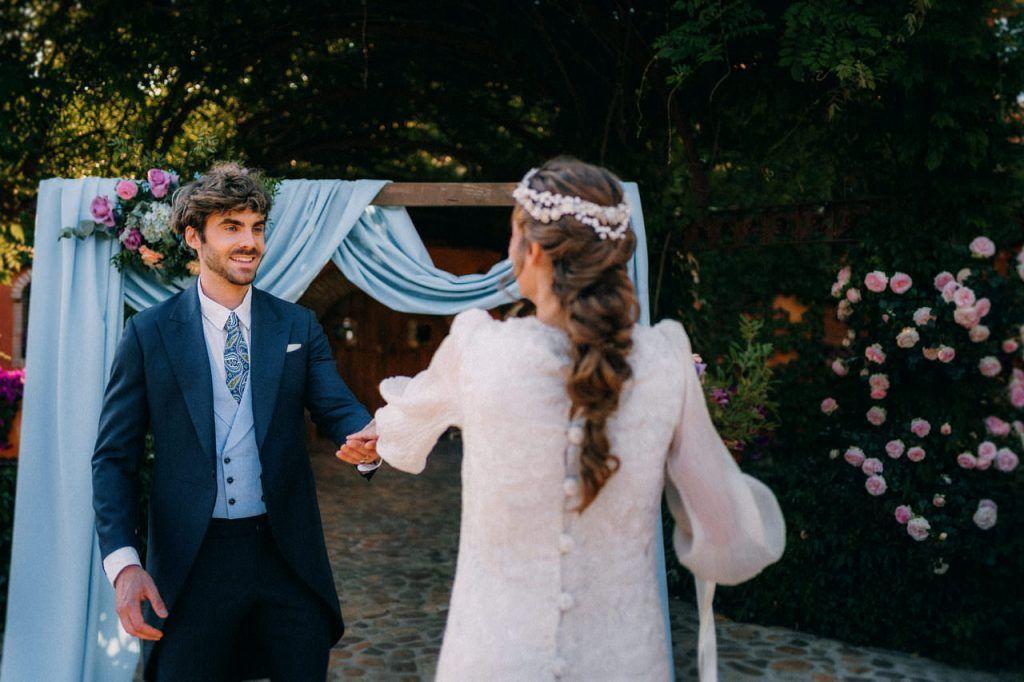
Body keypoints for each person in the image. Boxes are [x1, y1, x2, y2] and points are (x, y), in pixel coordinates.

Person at [339, 157, 786, 681]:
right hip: (623, 661)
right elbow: (729, 535)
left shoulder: (479, 349)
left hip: (495, 658)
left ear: (529, 251)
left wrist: (378, 435)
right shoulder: (666, 359)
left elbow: (412, 416)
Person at [92, 162, 375, 680]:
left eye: (257, 227)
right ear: (193, 237)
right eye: (232, 227)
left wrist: (367, 438)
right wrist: (125, 566)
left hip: (286, 557)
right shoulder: (150, 335)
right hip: (192, 563)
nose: (250, 242)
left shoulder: (297, 325)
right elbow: (114, 458)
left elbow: (338, 406)